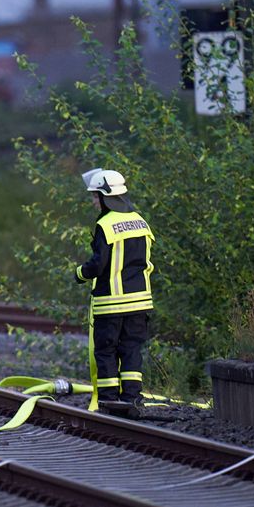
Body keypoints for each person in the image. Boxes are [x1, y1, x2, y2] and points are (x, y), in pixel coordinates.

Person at [75, 168, 155, 415]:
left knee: (106, 350)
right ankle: (131, 398)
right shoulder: (141, 222)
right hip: (140, 302)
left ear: (105, 196)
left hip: (111, 303)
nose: (93, 201)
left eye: (94, 196)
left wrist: (80, 272)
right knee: (131, 349)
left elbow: (98, 265)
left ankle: (109, 401)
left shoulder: (105, 224)